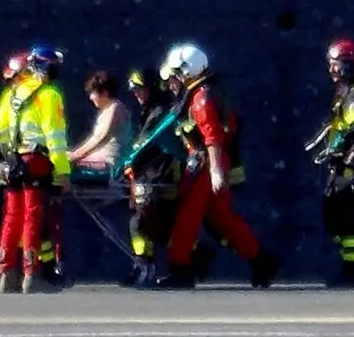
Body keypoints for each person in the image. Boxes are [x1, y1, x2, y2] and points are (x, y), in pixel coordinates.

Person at [159, 43, 278, 289]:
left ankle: (180, 269)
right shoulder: (205, 93)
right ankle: (261, 260)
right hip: (211, 162)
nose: (172, 82)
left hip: (205, 164)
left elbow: (212, 137)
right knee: (221, 217)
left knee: (187, 216)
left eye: (175, 75)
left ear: (186, 71)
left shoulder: (200, 99)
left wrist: (214, 171)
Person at [0, 43, 72, 292]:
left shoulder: (12, 93)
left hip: (14, 162)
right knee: (32, 217)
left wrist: (9, 156)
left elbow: (0, 128)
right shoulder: (49, 95)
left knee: (11, 217)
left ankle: (5, 274)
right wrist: (63, 171)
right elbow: (55, 137)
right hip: (37, 162)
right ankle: (30, 276)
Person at [307, 39, 354, 288]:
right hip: (340, 163)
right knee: (333, 214)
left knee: (344, 217)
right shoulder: (345, 92)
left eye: (335, 65)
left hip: (351, 167)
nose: (331, 70)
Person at [117, 68, 181, 287]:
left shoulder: (160, 111)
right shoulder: (155, 109)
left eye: (140, 89)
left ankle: (146, 267)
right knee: (158, 226)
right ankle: (148, 266)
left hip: (159, 177)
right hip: (153, 176)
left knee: (141, 224)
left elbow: (146, 144)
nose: (136, 93)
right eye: (133, 90)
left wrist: (127, 163)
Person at [72, 70, 128, 172]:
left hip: (108, 162)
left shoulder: (115, 107)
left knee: (65, 165)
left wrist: (76, 155)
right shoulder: (107, 109)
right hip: (98, 159)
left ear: (105, 93)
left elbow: (101, 137)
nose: (91, 97)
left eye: (93, 93)